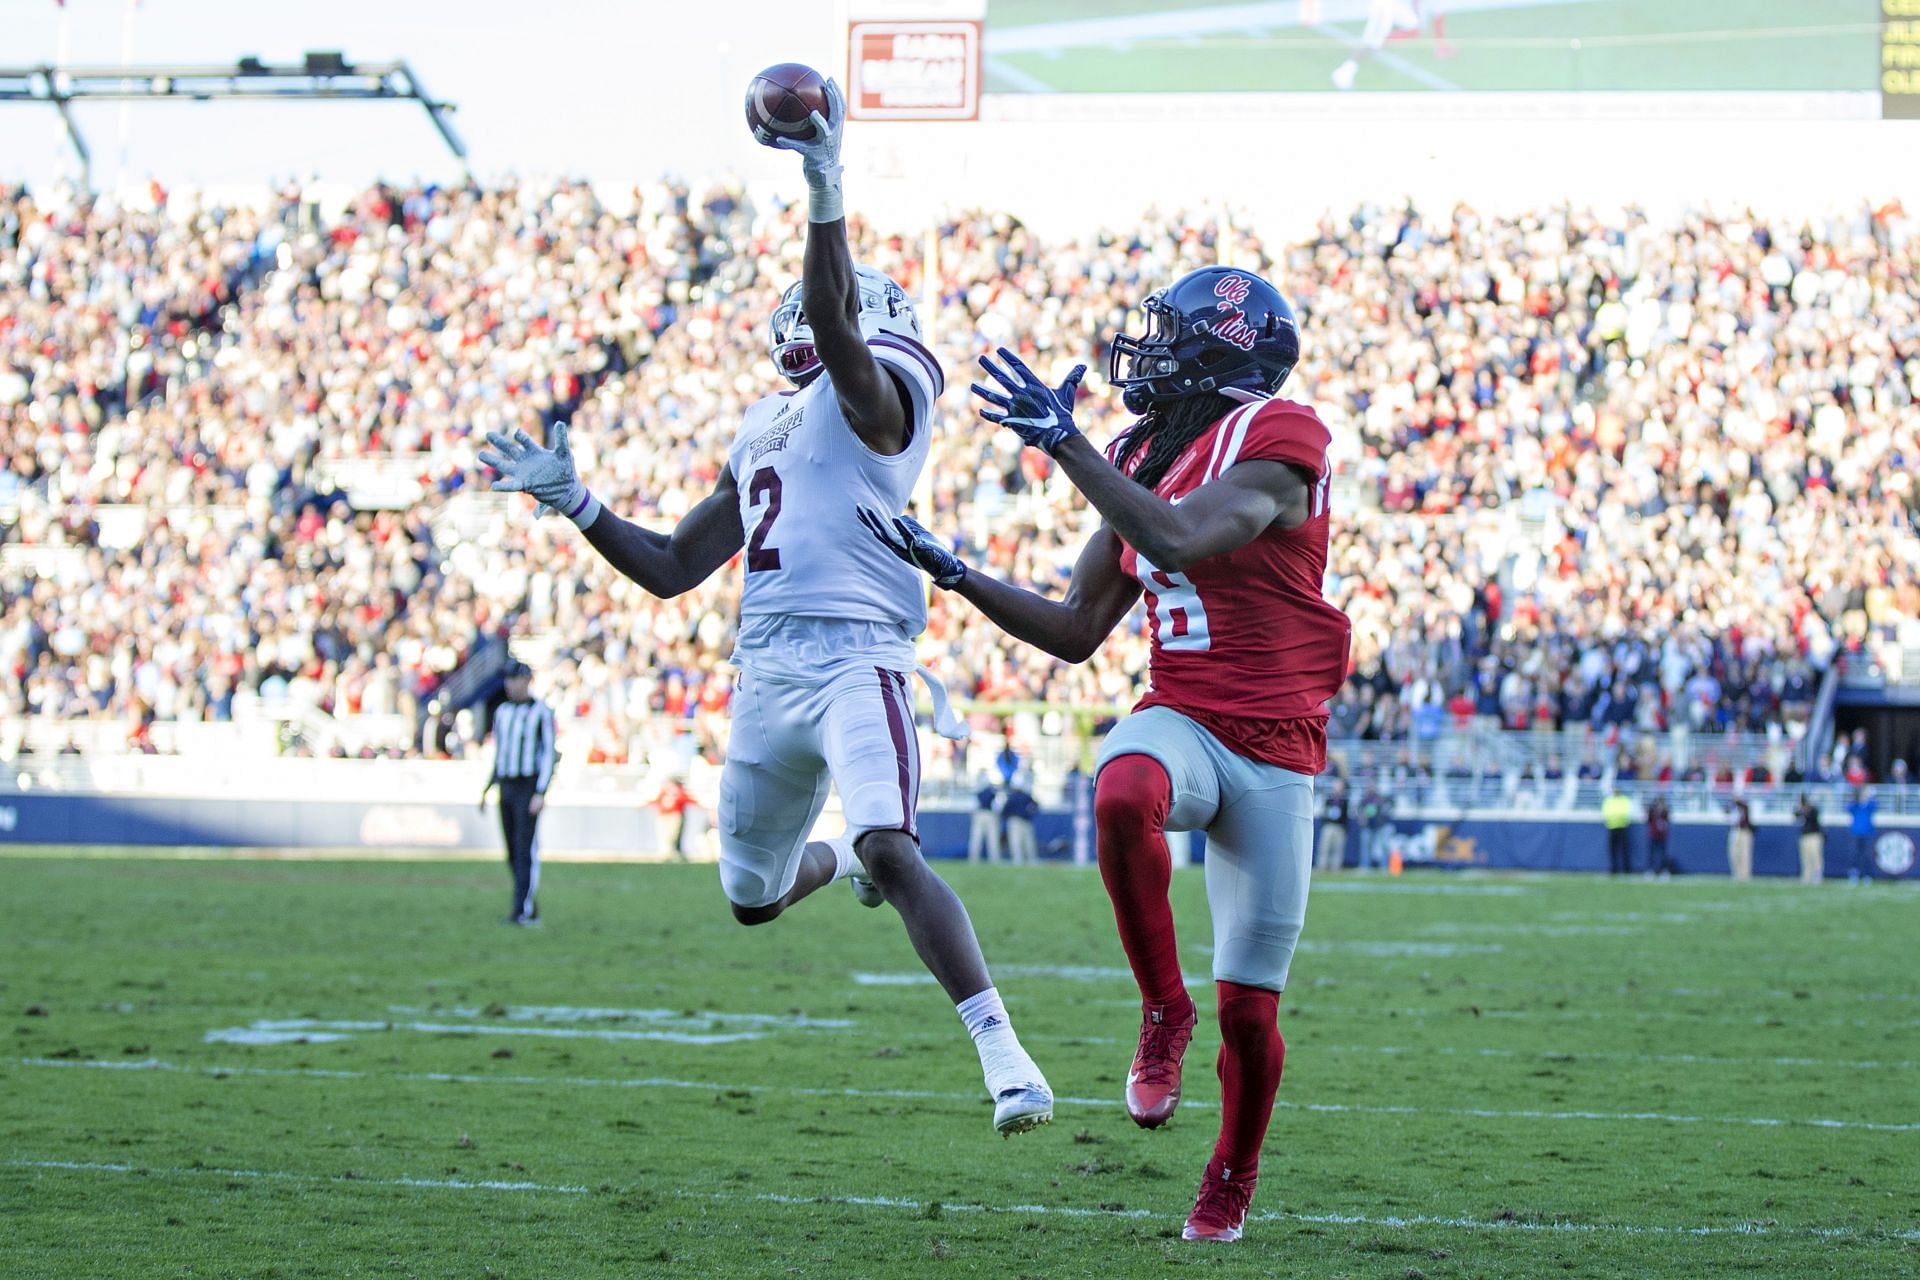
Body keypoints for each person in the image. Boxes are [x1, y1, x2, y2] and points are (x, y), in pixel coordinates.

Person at [481, 82, 1052, 1138]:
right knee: (752, 895)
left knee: (892, 843)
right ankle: (833, 864)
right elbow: (670, 566)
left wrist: (823, 176)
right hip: (767, 667)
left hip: (857, 657)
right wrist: (580, 503)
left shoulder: (886, 396)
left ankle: (1004, 1055)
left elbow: (836, 322)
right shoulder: (764, 428)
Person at [865, 265, 1349, 1241]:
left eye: (1171, 333)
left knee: (1253, 1014)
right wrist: (956, 571)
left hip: (1276, 755)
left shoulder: (1279, 437)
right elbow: (1079, 625)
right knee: (1123, 786)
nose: (1150, 349)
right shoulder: (1149, 449)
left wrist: (1068, 446)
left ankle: (1230, 1177)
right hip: (1185, 715)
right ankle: (1163, 1010)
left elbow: (1181, 533)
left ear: (1227, 347)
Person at [479, 661, 555, 925]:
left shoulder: (541, 712)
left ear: (527, 681)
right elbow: (500, 753)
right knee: (512, 850)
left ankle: (521, 909)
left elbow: (548, 754)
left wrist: (541, 791)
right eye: (508, 680)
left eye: (515, 679)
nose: (510, 685)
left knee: (525, 849)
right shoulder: (502, 712)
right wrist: (489, 786)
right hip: (507, 785)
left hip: (527, 785)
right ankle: (526, 904)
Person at [655, 774, 696, 861]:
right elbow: (657, 800)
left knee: (673, 835)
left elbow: (686, 800)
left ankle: (673, 853)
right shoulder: (664, 792)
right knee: (664, 835)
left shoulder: (679, 792)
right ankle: (665, 854)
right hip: (664, 816)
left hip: (675, 815)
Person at [1003, 773, 1040, 865]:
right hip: (1022, 820)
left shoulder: (1014, 796)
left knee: (1018, 842)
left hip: (1016, 821)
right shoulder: (1024, 796)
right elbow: (1035, 805)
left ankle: (1019, 860)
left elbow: (1005, 810)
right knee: (1027, 841)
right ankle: (1031, 859)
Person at [967, 772, 1003, 863]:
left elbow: (973, 805)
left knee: (977, 838)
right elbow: (997, 806)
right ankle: (994, 859)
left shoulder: (978, 790)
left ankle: (973, 859)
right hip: (990, 815)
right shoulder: (992, 791)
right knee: (992, 839)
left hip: (980, 814)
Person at [1846, 786, 1878, 883]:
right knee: (1854, 854)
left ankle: (1867, 875)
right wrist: (1855, 799)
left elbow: (1875, 807)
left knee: (1866, 855)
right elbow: (1848, 808)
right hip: (1856, 833)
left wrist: (1868, 799)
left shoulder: (1869, 805)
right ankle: (1854, 874)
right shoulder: (1855, 805)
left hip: (1867, 833)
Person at [1317, 779, 1349, 871]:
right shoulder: (1329, 799)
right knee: (1324, 847)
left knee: (1338, 849)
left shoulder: (1344, 800)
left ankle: (1336, 868)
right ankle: (1322, 866)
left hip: (1339, 827)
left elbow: (1345, 815)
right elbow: (1324, 812)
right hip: (1329, 825)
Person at [1602, 785, 1632, 875]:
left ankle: (1626, 869)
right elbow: (1606, 813)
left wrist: (1618, 816)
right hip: (1612, 827)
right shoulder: (1609, 800)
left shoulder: (1624, 800)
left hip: (1622, 827)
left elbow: (1626, 812)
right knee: (1612, 850)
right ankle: (1613, 869)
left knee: (1624, 849)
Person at [1795, 792, 1823, 884]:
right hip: (1804, 836)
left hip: (1814, 836)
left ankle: (1817, 877)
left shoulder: (1813, 809)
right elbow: (1796, 814)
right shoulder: (1801, 810)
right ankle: (1806, 877)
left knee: (1815, 857)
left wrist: (1807, 808)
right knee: (1805, 858)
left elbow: (1814, 816)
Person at [1726, 796, 1755, 881]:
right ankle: (1737, 874)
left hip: (1744, 831)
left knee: (1745, 854)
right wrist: (1732, 804)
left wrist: (1738, 802)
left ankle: (1745, 875)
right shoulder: (1733, 807)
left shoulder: (1744, 807)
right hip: (1735, 831)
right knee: (1734, 853)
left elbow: (1746, 817)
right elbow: (1726, 811)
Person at [1646, 794, 1676, 876]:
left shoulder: (1665, 812)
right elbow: (1648, 820)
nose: (1660, 804)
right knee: (1652, 854)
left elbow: (1667, 820)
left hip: (1662, 836)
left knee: (1663, 854)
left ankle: (1663, 870)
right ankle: (1651, 870)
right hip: (1653, 835)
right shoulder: (1652, 811)